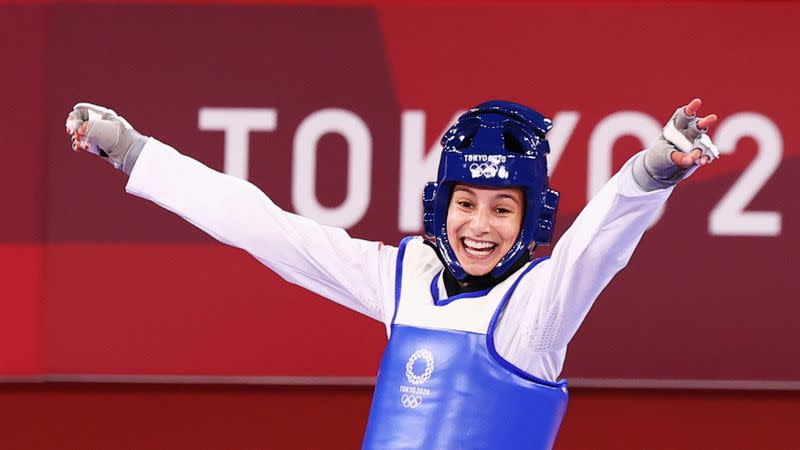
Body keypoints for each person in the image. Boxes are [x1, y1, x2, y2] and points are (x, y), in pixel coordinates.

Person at [66, 99, 718, 450]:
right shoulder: (404, 276)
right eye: (466, 204)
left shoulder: (537, 306)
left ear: (529, 220)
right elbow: (264, 227)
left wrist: (654, 170)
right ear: (442, 206)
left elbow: (597, 245)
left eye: (500, 209)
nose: (480, 225)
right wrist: (133, 153)